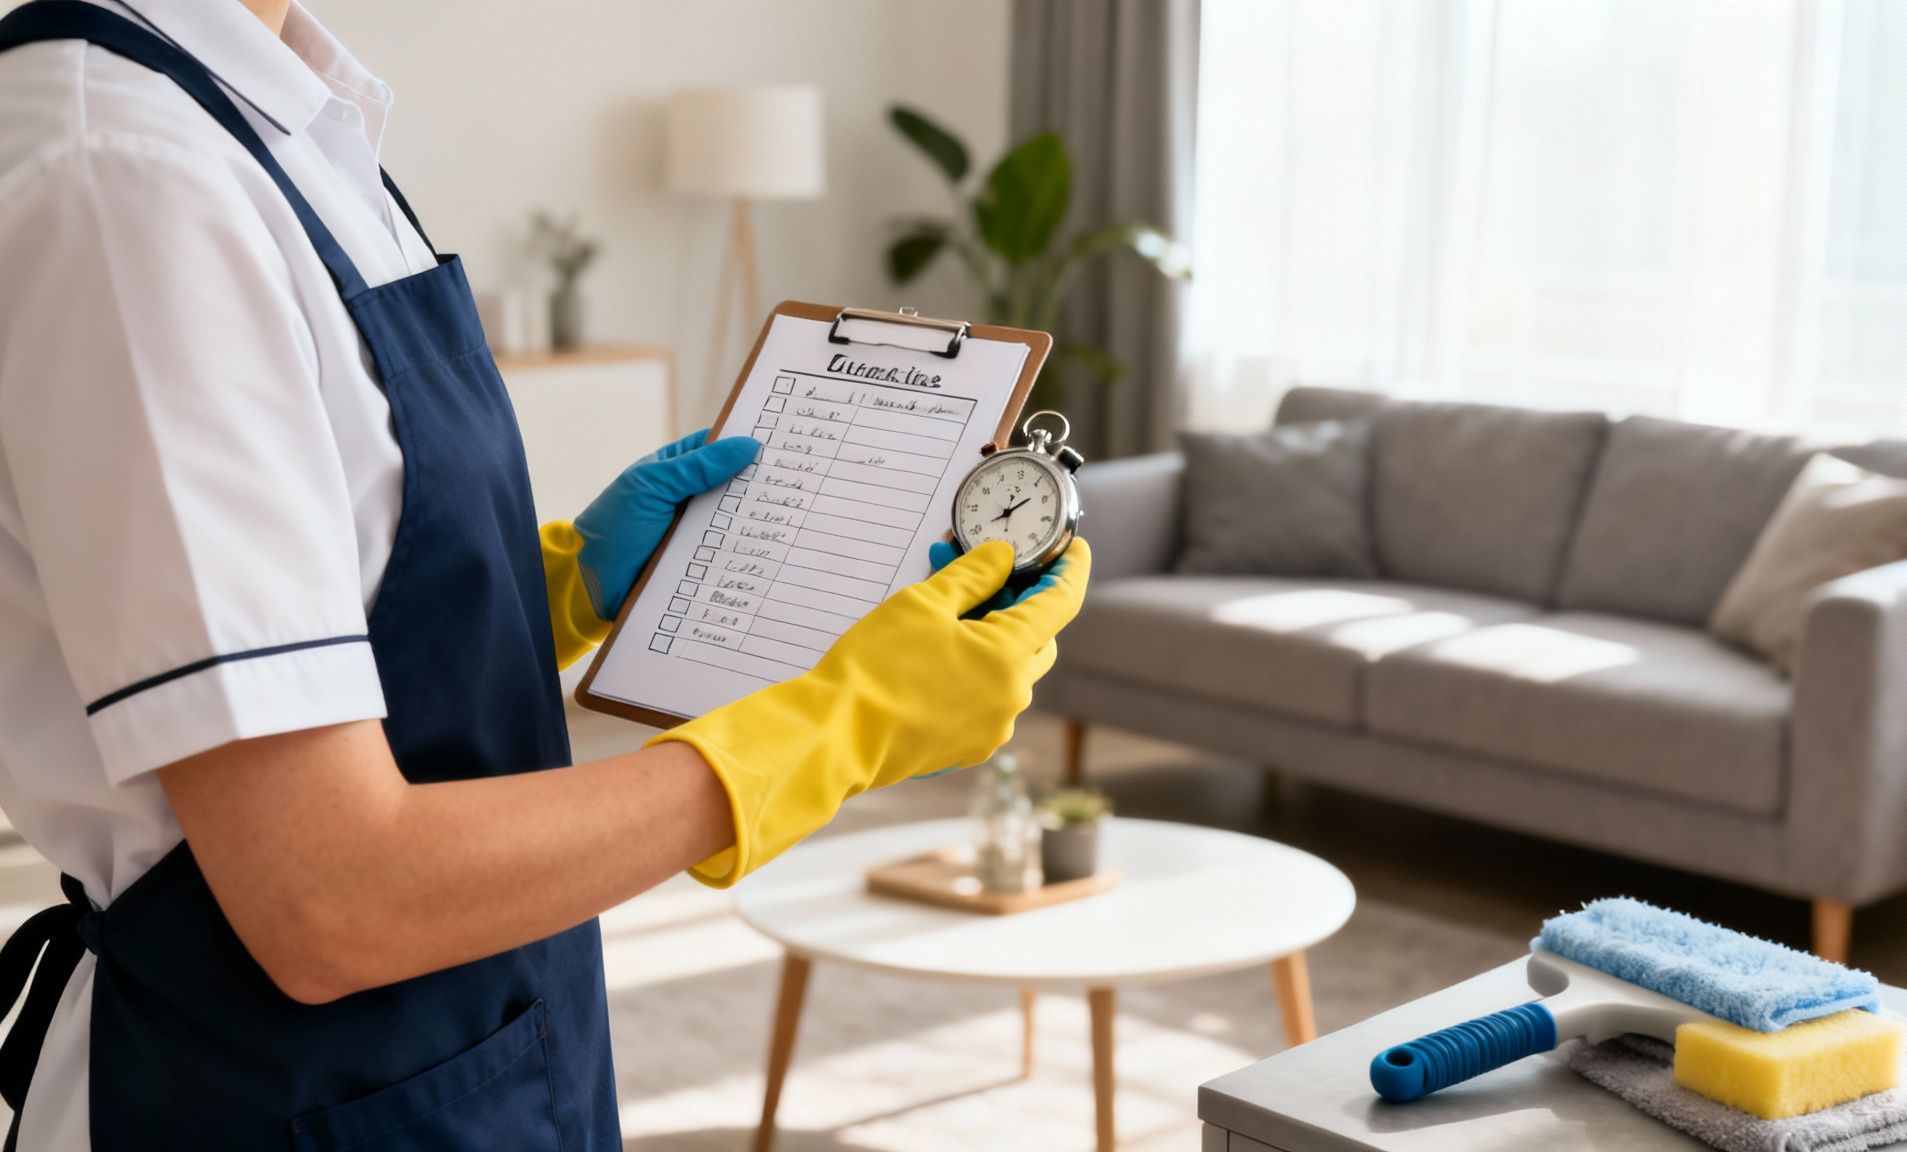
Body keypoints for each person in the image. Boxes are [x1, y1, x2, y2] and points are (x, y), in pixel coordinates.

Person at [0, 0, 1090, 1147]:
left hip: (474, 1036)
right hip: (292, 1094)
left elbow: (315, 576)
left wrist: (556, 585)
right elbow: (326, 897)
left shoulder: (280, 116)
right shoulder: (127, 173)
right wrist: (833, 727)